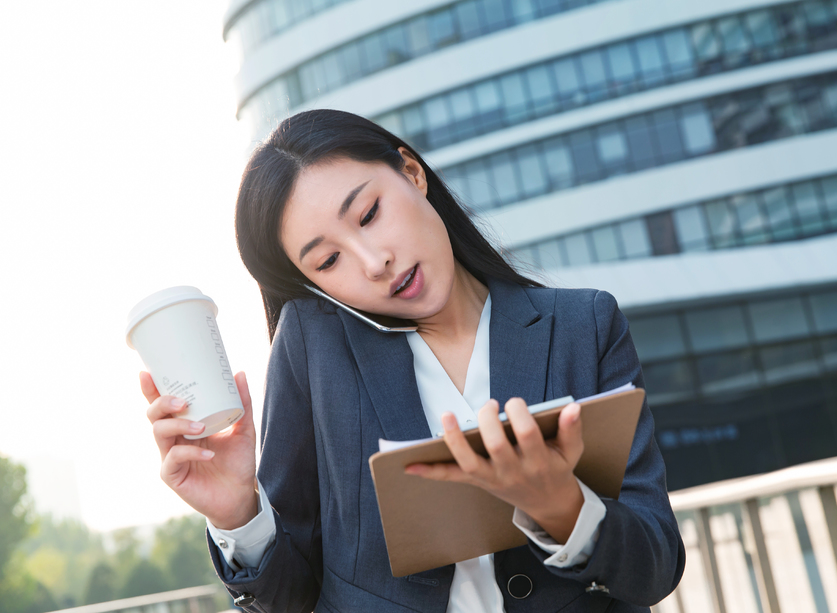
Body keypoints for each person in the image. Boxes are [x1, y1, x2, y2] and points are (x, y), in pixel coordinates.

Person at [143, 109, 685, 612]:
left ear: (412, 171)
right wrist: (237, 514)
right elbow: (292, 598)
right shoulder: (315, 347)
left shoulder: (582, 326)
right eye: (329, 260)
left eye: (370, 213)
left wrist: (565, 507)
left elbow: (655, 565)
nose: (374, 262)